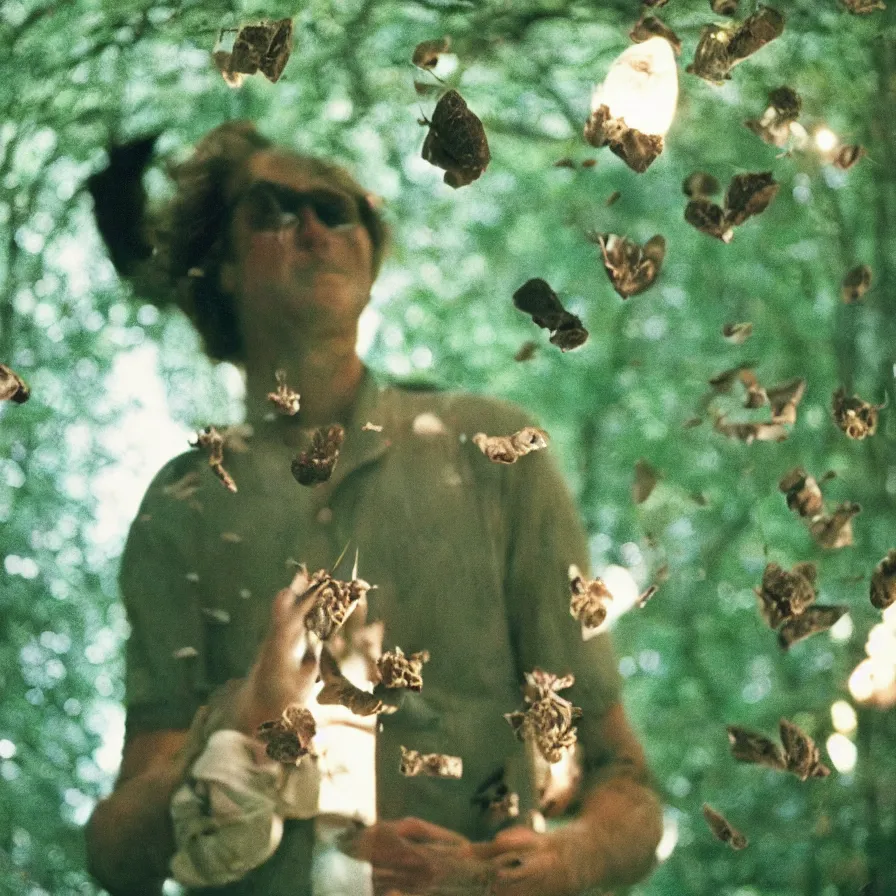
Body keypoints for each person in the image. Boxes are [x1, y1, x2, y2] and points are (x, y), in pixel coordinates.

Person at [84, 120, 663, 896]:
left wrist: (555, 863)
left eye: (337, 208)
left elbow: (624, 780)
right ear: (219, 264)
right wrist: (227, 731)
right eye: (275, 208)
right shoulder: (182, 507)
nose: (314, 226)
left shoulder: (496, 452)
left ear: (369, 253)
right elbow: (118, 855)